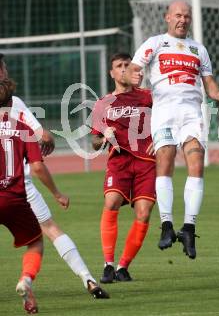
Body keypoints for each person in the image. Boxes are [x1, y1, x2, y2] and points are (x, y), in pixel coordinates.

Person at [126, 0, 219, 259]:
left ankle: (188, 227)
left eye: (186, 16)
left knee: (196, 162)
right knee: (164, 160)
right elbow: (134, 68)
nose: (183, 20)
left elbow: (208, 83)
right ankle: (166, 226)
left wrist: (218, 94)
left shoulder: (199, 49)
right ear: (167, 17)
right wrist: (134, 75)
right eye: (178, 15)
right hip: (164, 113)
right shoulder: (154, 43)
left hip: (191, 114)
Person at [0, 54, 109, 299]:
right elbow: (43, 139)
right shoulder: (14, 104)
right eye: (4, 67)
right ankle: (88, 279)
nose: (6, 71)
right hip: (19, 188)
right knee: (48, 230)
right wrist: (57, 192)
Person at [91, 52, 156, 283]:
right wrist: (104, 137)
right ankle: (108, 264)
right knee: (111, 202)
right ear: (112, 73)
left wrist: (161, 139)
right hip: (119, 162)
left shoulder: (148, 97)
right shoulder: (103, 103)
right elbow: (94, 142)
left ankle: (123, 267)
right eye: (119, 66)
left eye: (127, 65)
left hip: (146, 162)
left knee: (145, 213)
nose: (123, 69)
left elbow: (168, 119)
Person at [1, 77, 55, 313]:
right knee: (35, 242)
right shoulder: (23, 128)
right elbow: (37, 167)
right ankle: (26, 279)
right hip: (14, 199)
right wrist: (58, 193)